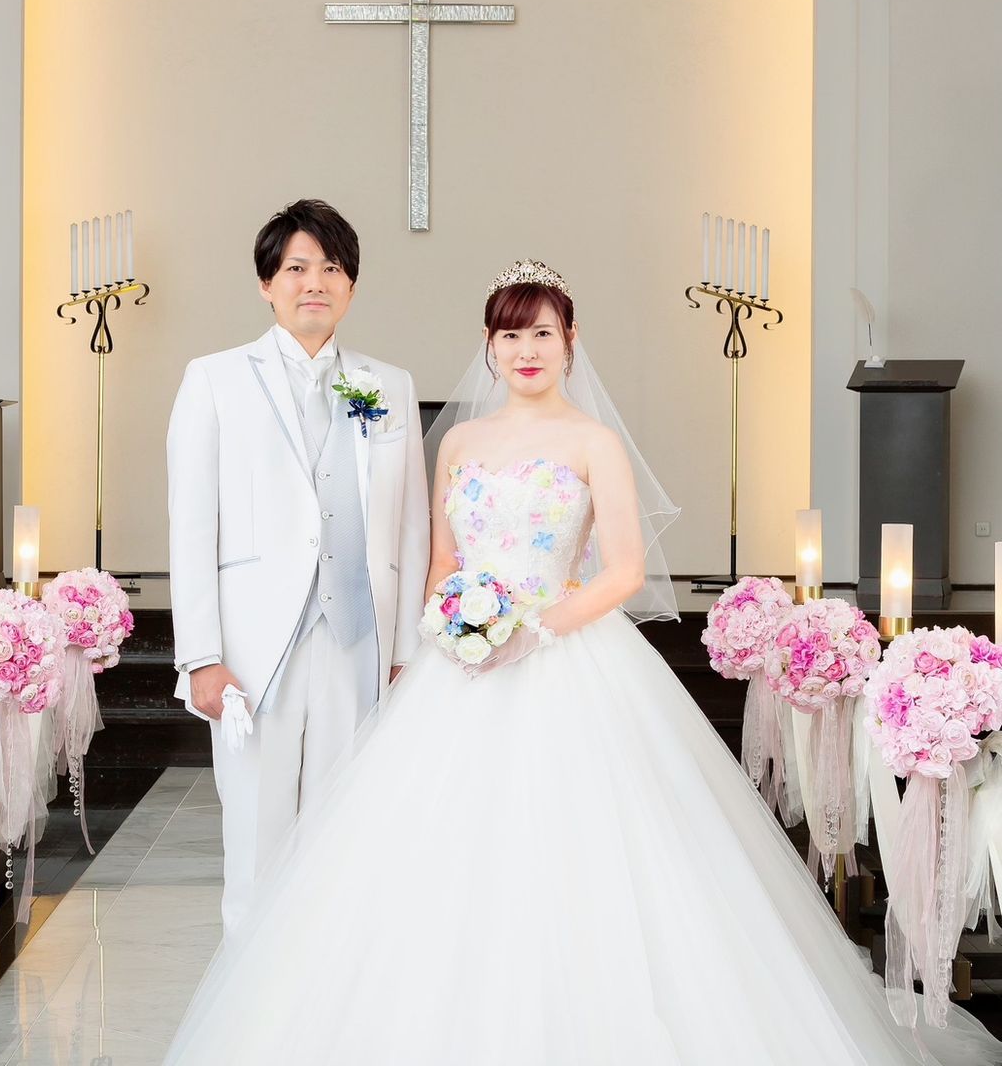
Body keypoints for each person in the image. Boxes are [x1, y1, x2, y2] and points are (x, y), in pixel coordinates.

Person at [164, 260, 1002, 1064]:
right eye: (509, 335)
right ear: (488, 346)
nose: (525, 350)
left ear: (570, 341)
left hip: (567, 656)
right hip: (461, 668)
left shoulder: (593, 441)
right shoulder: (457, 443)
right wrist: (454, 621)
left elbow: (625, 570)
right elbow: (440, 559)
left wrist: (532, 630)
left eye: (542, 333)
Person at [165, 198, 430, 932]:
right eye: (296, 268)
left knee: (346, 835)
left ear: (351, 285)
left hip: (358, 638)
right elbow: (192, 526)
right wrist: (201, 657)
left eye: (332, 268)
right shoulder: (214, 379)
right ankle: (249, 993)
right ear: (267, 284)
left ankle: (331, 986)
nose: (315, 282)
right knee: (257, 837)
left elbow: (411, 524)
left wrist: (406, 650)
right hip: (254, 653)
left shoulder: (389, 384)